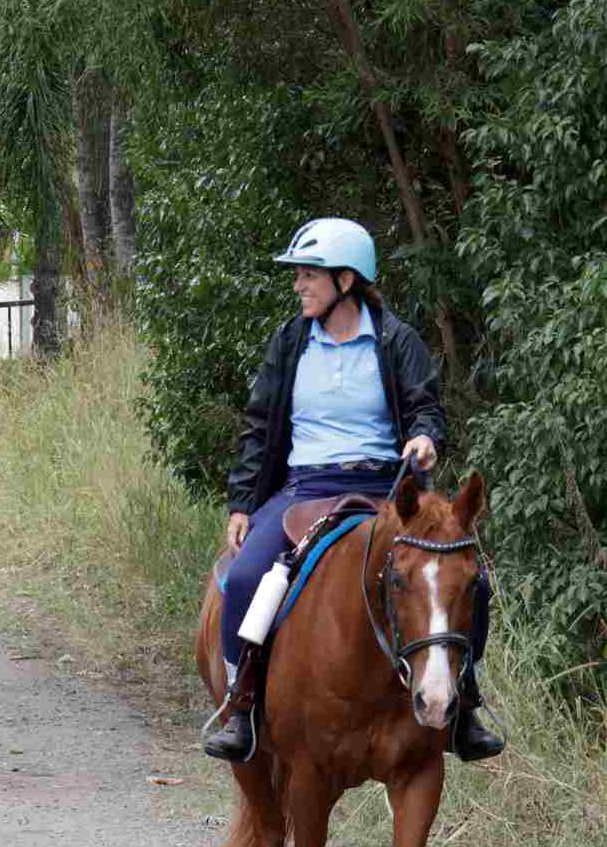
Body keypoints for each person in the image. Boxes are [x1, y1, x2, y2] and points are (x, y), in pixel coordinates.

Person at [204, 216, 502, 766]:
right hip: (305, 487)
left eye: (308, 274)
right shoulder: (290, 342)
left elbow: (425, 408)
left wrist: (424, 438)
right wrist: (244, 501)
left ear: (346, 280)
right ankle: (241, 706)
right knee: (245, 577)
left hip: (385, 491)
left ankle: (466, 705)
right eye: (298, 275)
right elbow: (259, 422)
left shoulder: (396, 340)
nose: (298, 285)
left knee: (470, 582)